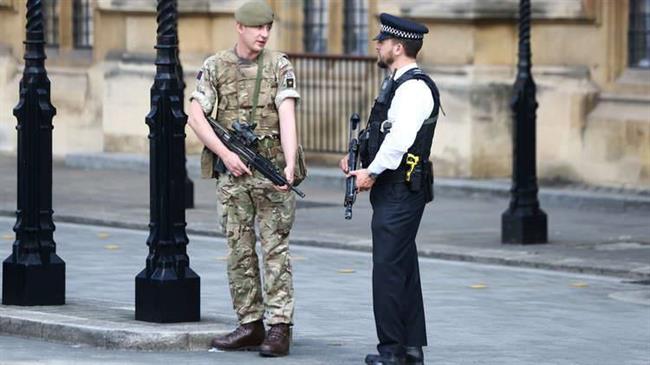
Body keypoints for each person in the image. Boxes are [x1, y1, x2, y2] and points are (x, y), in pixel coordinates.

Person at [187, 0, 300, 358]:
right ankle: (250, 324)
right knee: (238, 251)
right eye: (257, 28)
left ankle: (279, 326)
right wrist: (225, 154)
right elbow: (195, 114)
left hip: (271, 170)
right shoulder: (215, 66)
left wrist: (291, 163)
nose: (264, 34)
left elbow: (287, 113)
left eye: (268, 28)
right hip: (233, 174)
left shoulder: (279, 65)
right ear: (240, 27)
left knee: (275, 251)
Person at [340, 13, 441, 365]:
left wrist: (371, 171)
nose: (378, 46)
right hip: (396, 188)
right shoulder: (397, 82)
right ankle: (411, 348)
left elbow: (399, 141)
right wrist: (358, 160)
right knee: (403, 267)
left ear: (398, 47)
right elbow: (384, 131)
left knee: (387, 270)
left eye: (382, 42)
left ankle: (393, 351)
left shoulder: (413, 87)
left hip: (401, 188)